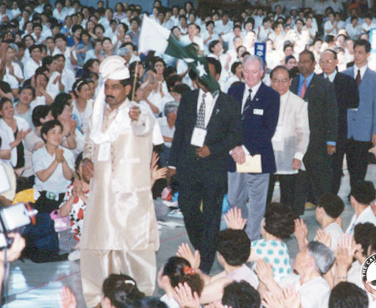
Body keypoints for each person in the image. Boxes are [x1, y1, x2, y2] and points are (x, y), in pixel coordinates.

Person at [80, 56, 159, 307]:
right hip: (101, 193)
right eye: (107, 86)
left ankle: (138, 298)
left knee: (132, 249)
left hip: (129, 195)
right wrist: (85, 162)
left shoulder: (138, 111)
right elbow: (90, 144)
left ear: (127, 89)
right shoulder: (97, 113)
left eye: (116, 87)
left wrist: (136, 117)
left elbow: (144, 127)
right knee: (99, 247)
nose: (110, 92)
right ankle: (99, 300)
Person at [169, 57, 242, 274]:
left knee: (212, 216)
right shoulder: (189, 99)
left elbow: (235, 136)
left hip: (214, 167)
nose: (202, 80)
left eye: (208, 75)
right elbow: (179, 134)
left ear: (217, 77)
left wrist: (213, 148)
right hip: (188, 166)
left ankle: (205, 263)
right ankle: (204, 247)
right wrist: (172, 164)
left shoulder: (229, 103)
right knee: (188, 208)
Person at [228, 55, 280, 240]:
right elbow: (227, 123)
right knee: (234, 199)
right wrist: (235, 147)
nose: (250, 75)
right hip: (234, 155)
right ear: (242, 71)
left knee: (257, 204)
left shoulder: (271, 96)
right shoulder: (233, 91)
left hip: (257, 156)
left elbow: (268, 130)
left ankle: (251, 241)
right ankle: (243, 231)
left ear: (262, 72)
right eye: (247, 71)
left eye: (254, 71)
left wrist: (245, 149)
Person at [290, 50, 338, 211]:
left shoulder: (325, 85)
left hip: (317, 141)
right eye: (300, 61)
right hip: (295, 140)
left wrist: (331, 140)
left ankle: (326, 213)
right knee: (297, 180)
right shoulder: (291, 83)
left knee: (320, 180)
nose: (302, 65)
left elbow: (332, 114)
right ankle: (295, 215)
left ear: (313, 64)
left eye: (306, 62)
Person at [266, 66, 309, 216]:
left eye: (284, 81)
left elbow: (303, 132)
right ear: (270, 81)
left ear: (290, 81)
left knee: (288, 197)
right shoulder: (263, 99)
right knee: (264, 195)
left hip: (288, 154)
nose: (280, 85)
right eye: (276, 81)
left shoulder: (299, 103)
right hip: (267, 153)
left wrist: (298, 155)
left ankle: (284, 228)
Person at [343, 40, 376, 190]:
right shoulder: (344, 75)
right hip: (347, 127)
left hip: (365, 128)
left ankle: (357, 191)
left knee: (361, 162)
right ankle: (354, 190)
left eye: (361, 52)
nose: (357, 56)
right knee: (350, 161)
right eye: (355, 52)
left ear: (367, 54)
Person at [319, 50, 359, 195]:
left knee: (336, 166)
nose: (325, 65)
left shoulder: (347, 81)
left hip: (339, 130)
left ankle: (332, 196)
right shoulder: (316, 80)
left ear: (336, 62)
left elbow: (354, 102)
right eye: (322, 61)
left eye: (329, 61)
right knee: (319, 166)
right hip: (318, 131)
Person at [257, 241, 334, 308]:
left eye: (301, 253)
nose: (297, 255)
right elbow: (263, 299)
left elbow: (296, 306)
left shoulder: (321, 287)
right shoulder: (292, 278)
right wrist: (263, 282)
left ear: (310, 262)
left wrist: (269, 282)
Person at [32, 119, 74, 213]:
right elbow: (43, 177)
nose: (57, 136)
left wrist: (63, 161)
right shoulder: (38, 154)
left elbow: (69, 177)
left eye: (60, 132)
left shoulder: (67, 153)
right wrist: (56, 161)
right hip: (43, 195)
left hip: (62, 195)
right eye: (53, 132)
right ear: (45, 136)